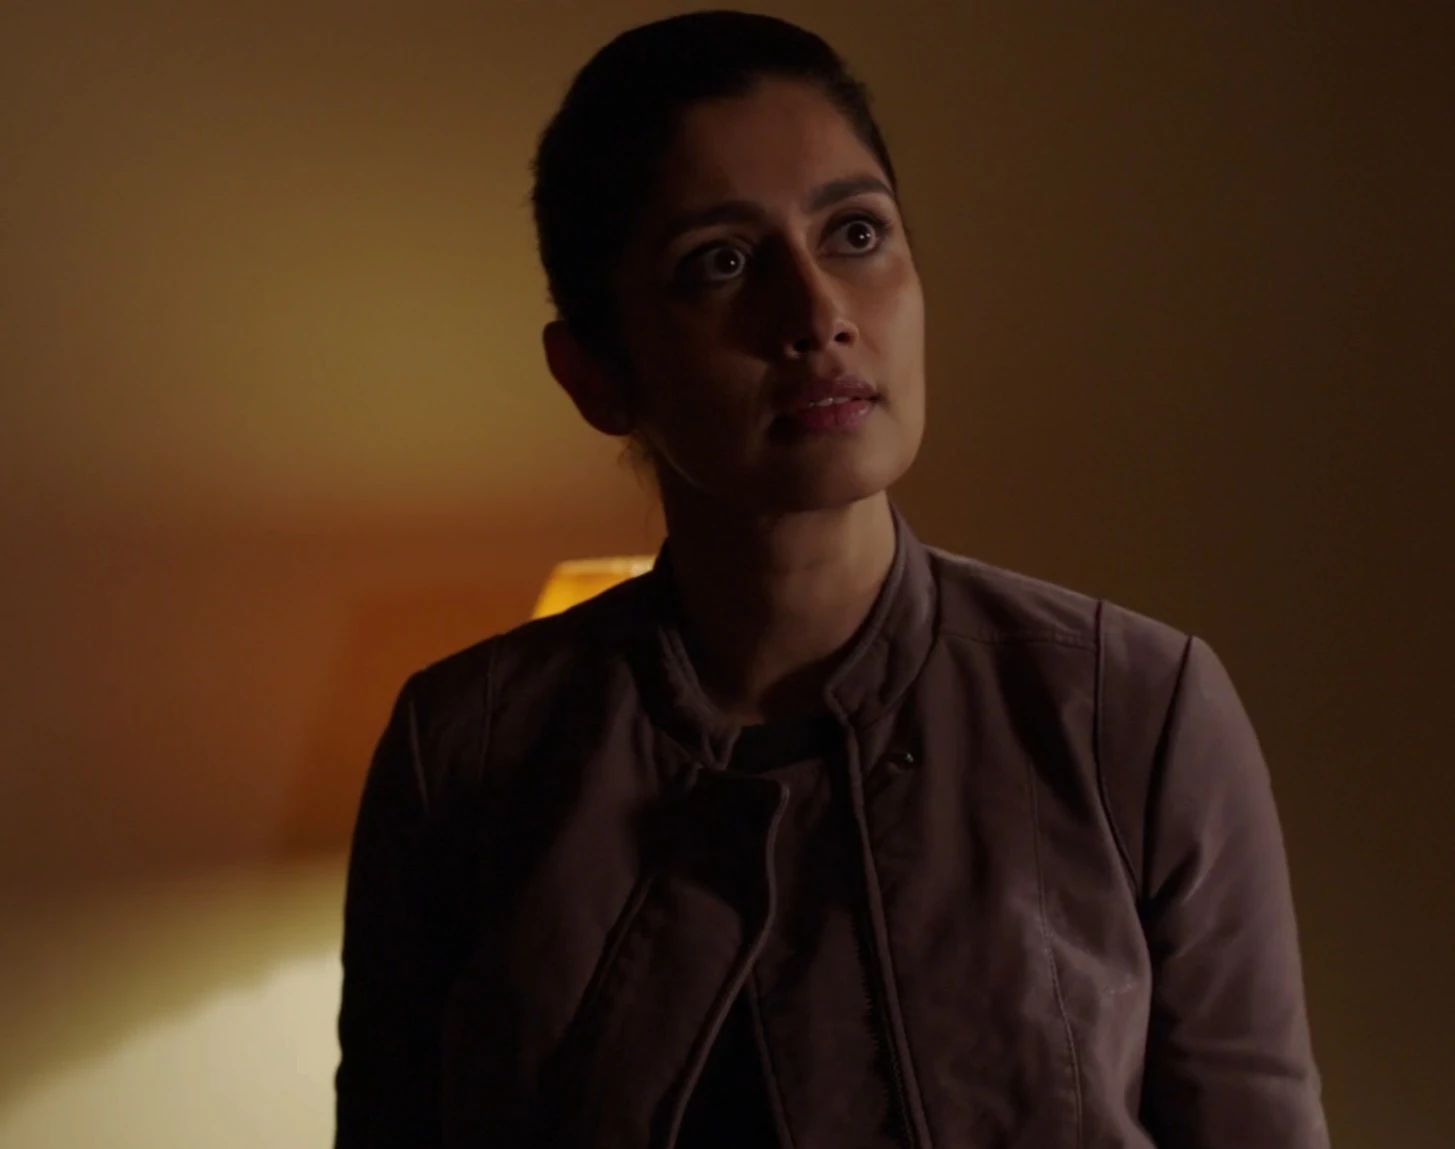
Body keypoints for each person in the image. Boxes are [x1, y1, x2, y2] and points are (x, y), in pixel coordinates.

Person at [334, 11, 1328, 1148]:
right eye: (720, 262)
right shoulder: (467, 748)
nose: (817, 316)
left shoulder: (1131, 708)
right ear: (595, 374)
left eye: (855, 234)